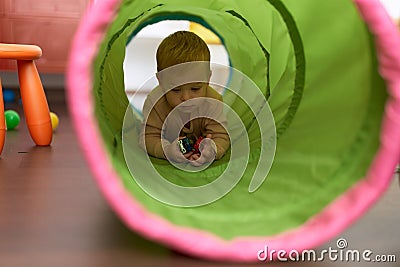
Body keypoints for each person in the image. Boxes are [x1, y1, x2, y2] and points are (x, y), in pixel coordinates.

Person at [139, 31, 230, 167]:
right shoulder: (155, 102)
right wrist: (167, 150)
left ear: (208, 78)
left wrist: (212, 149)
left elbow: (221, 135)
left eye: (195, 88)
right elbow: (147, 138)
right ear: (161, 81)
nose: (186, 98)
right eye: (175, 89)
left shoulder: (213, 101)